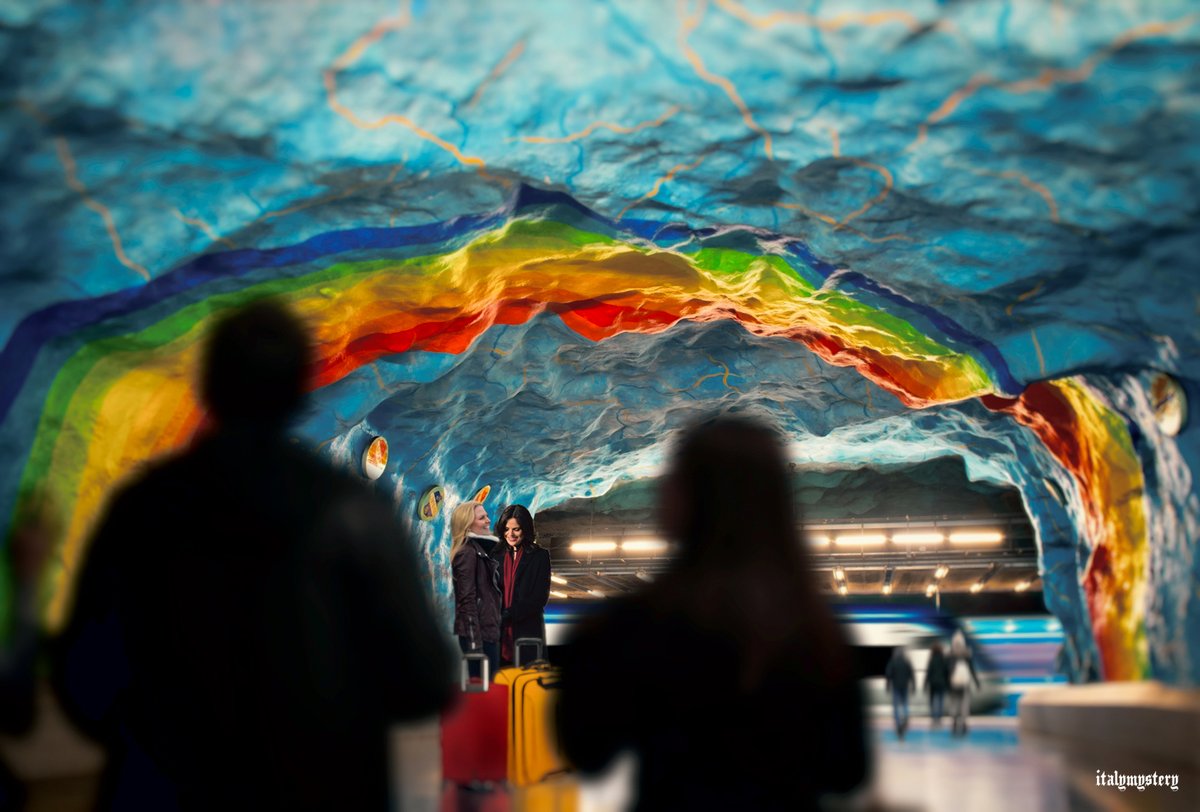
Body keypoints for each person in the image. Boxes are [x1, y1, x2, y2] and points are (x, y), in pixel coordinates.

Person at [52, 300, 455, 811]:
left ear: (209, 387)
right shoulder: (350, 511)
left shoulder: (143, 509)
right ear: (297, 390)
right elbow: (423, 679)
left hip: (166, 789)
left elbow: (85, 678)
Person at [556, 416, 869, 811]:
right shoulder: (816, 633)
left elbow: (587, 751)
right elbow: (846, 772)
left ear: (685, 498)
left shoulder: (635, 625)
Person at [491, 504, 550, 667]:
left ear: (525, 529)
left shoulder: (540, 556)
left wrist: (509, 614)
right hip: (499, 634)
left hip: (527, 631)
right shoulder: (495, 555)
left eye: (516, 529)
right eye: (506, 529)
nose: (510, 534)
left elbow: (540, 598)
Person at [449, 500, 502, 680]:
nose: (488, 520)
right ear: (468, 524)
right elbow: (466, 599)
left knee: (488, 688)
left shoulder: (481, 550)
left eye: (487, 516)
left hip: (487, 632)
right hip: (478, 636)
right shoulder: (467, 553)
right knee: (482, 690)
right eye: (482, 518)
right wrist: (474, 644)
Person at [946, 629, 980, 737]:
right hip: (965, 684)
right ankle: (964, 724)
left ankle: (955, 723)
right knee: (964, 704)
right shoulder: (967, 653)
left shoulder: (950, 654)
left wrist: (947, 682)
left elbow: (946, 670)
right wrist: (977, 683)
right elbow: (972, 669)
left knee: (954, 703)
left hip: (953, 684)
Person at [884, 646, 915, 740]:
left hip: (896, 686)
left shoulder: (893, 661)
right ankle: (905, 718)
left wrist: (887, 685)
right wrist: (913, 685)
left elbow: (888, 674)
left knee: (896, 705)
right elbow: (911, 674)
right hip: (905, 686)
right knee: (905, 703)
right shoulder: (907, 662)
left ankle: (897, 722)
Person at [924, 641, 949, 727]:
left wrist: (925, 684)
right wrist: (948, 684)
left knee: (933, 701)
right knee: (940, 701)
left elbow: (928, 672)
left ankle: (934, 719)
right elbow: (947, 672)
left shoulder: (931, 660)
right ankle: (939, 719)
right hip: (942, 683)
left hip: (933, 683)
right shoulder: (944, 659)